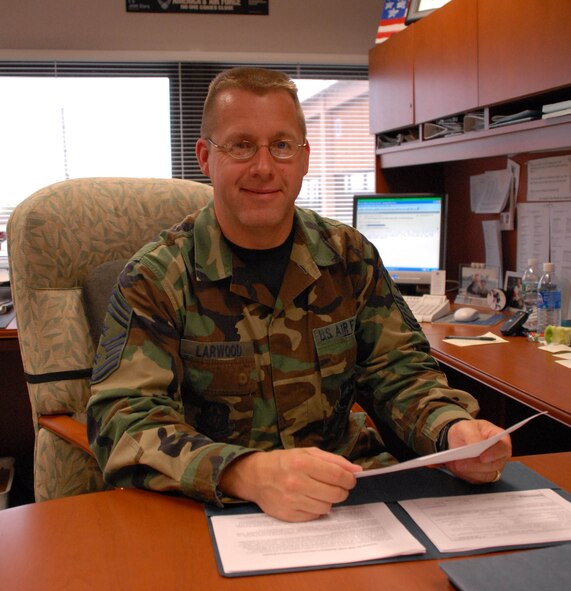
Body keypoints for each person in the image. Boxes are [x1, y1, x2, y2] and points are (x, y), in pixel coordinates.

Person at [86, 67, 511, 523]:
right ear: (206, 158)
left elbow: (400, 370)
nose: (265, 167)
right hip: (215, 507)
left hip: (348, 496)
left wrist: (452, 429)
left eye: (282, 145)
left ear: (304, 158)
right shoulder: (156, 277)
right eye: (242, 145)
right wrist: (244, 472)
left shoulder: (349, 257)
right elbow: (123, 421)